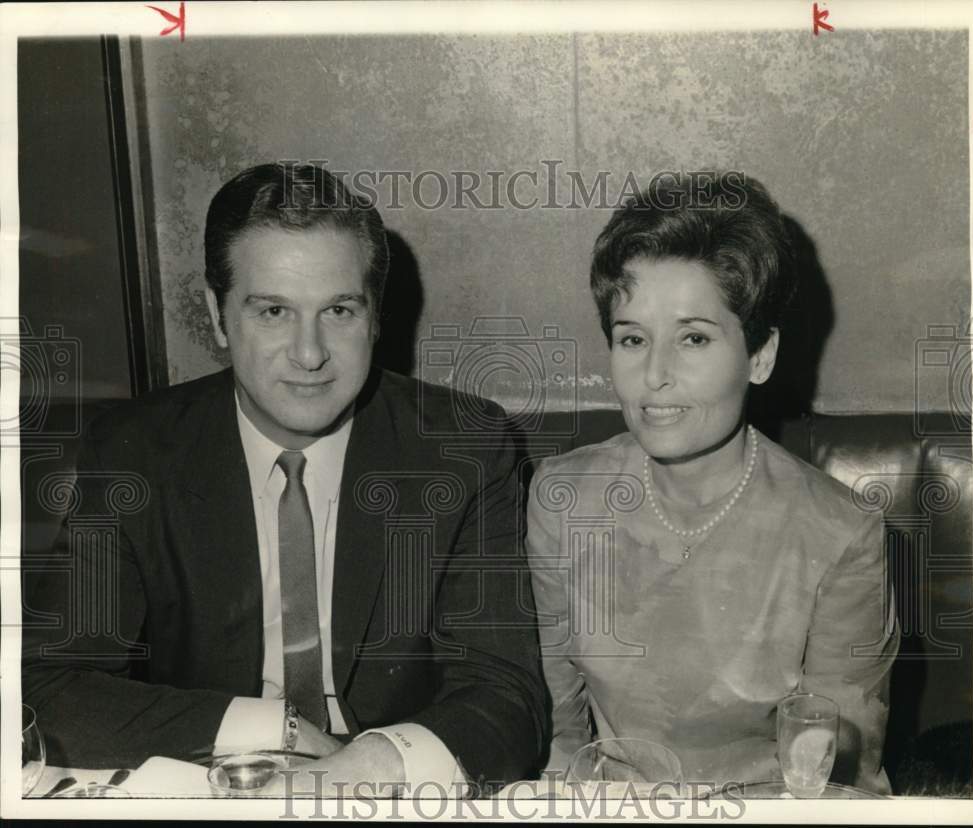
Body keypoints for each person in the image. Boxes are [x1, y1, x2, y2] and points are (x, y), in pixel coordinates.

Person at [22, 163, 547, 794]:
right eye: (273, 310)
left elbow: (506, 696)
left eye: (339, 311)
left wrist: (361, 768)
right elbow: (45, 685)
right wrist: (277, 728)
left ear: (376, 318)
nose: (309, 353)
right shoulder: (134, 452)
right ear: (217, 318)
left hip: (390, 791)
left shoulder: (462, 445)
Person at [526, 173, 899, 794]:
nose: (655, 375)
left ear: (760, 356)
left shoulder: (840, 533)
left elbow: (837, 774)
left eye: (693, 338)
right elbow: (560, 737)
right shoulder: (563, 500)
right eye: (633, 339)